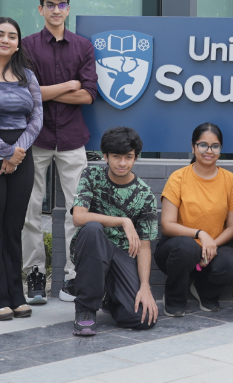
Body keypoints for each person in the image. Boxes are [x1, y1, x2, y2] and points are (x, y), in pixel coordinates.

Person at [19, 0, 97, 305]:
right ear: (40, 9)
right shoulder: (26, 46)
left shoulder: (83, 46)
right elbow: (29, 93)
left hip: (71, 137)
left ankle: (73, 277)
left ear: (68, 8)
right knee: (29, 207)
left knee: (79, 208)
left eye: (61, 4)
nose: (55, 10)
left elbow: (89, 95)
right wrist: (68, 85)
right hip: (35, 136)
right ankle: (35, 275)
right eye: (49, 4)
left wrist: (49, 90)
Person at [0, 17, 43, 321]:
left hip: (22, 153)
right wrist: (5, 151)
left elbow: (37, 116)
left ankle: (16, 294)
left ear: (18, 43)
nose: (6, 39)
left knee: (13, 226)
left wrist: (18, 152)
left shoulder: (27, 75)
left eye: (12, 35)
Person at [70, 127, 160, 336]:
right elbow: (78, 216)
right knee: (93, 228)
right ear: (105, 156)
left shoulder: (144, 193)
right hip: (92, 248)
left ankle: (111, 297)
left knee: (141, 319)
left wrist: (145, 287)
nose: (122, 163)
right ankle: (86, 308)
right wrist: (123, 221)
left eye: (128, 157)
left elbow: (145, 246)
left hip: (123, 255)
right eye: (116, 156)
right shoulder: (91, 175)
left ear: (135, 158)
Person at [154, 123, 233, 316]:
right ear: (193, 147)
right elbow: (167, 225)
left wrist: (211, 245)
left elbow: (232, 226)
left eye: (215, 146)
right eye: (203, 145)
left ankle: (205, 292)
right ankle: (174, 298)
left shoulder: (229, 180)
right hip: (177, 252)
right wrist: (200, 234)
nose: (209, 151)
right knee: (187, 248)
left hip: (212, 251)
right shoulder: (178, 178)